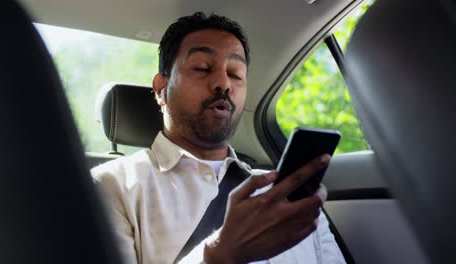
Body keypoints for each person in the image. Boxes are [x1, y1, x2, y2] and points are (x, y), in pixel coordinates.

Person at [91, 12, 346, 264]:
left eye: (235, 73)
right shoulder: (110, 187)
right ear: (161, 89)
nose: (223, 83)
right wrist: (218, 254)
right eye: (202, 68)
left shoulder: (282, 195)